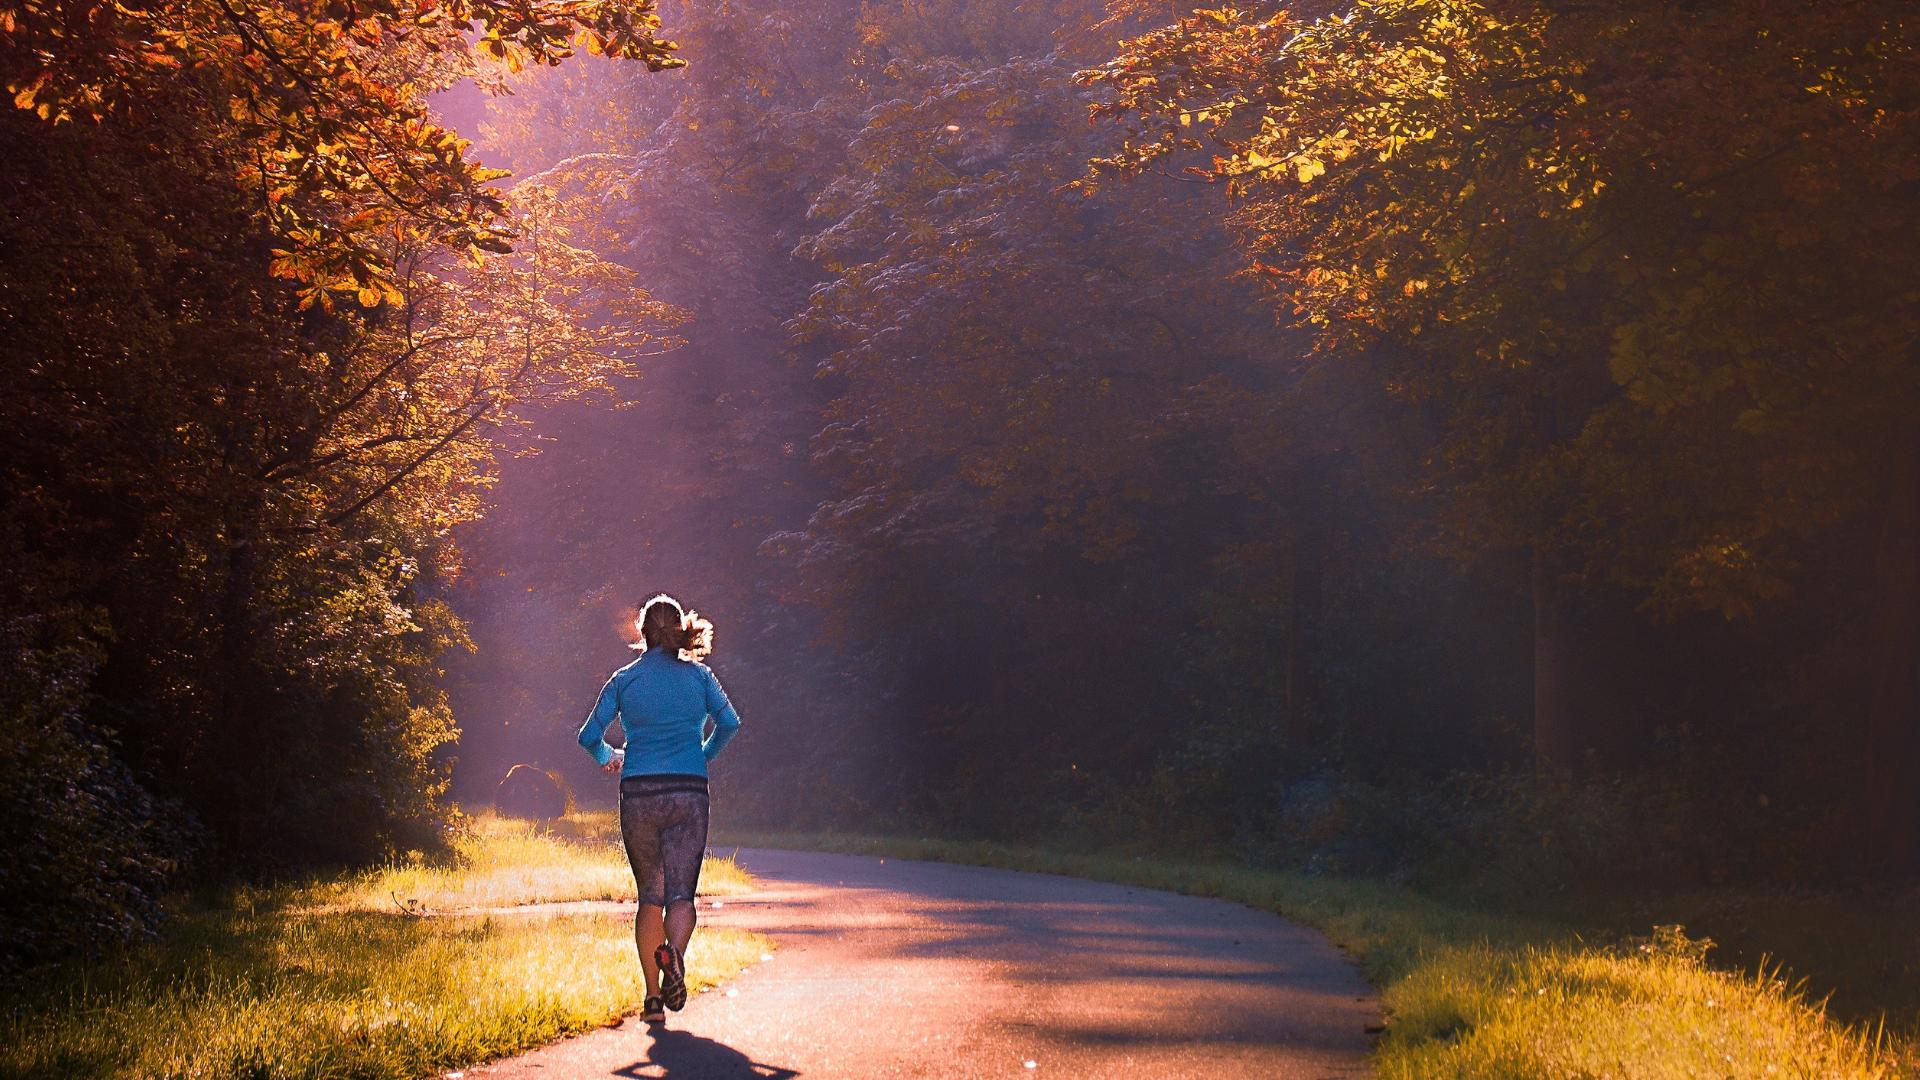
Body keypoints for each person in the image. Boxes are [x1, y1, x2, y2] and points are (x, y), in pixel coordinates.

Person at [578, 593, 742, 1024]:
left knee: (650, 897)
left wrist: (608, 755)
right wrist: (703, 753)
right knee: (681, 895)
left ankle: (653, 1000)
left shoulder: (623, 679)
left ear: (642, 632)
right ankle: (673, 954)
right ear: (679, 631)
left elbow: (587, 735)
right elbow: (731, 723)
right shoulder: (701, 678)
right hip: (689, 791)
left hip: (639, 793)